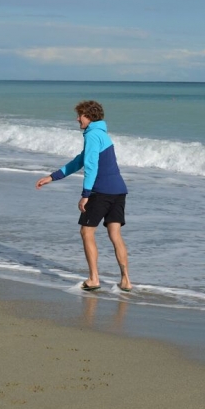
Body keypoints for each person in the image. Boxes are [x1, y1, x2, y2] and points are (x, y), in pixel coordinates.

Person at [36, 100, 131, 292]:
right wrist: (53, 177)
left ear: (90, 116)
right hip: (118, 190)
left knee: (86, 232)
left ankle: (94, 278)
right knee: (115, 235)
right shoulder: (103, 135)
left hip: (100, 191)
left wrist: (86, 194)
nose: (77, 118)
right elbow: (80, 160)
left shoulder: (93, 136)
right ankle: (126, 281)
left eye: (80, 115)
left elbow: (91, 166)